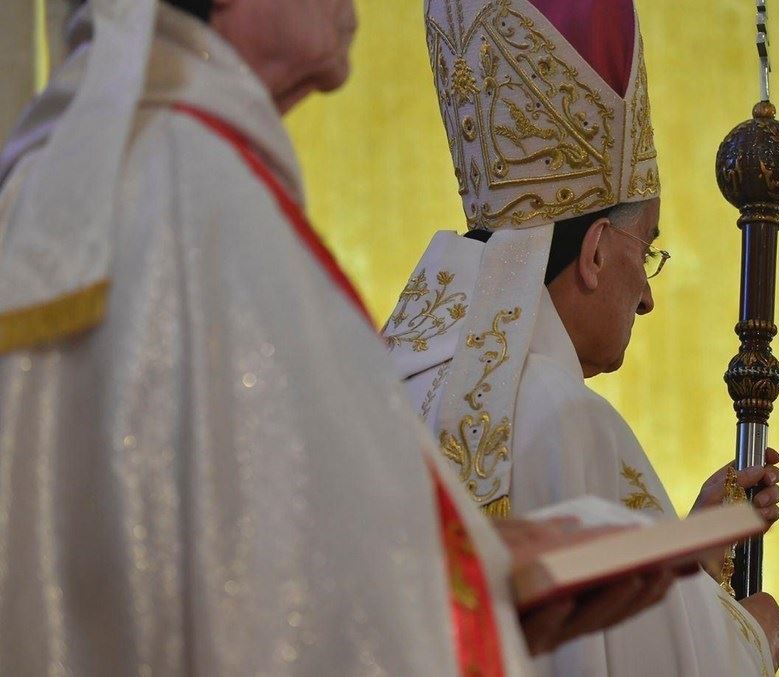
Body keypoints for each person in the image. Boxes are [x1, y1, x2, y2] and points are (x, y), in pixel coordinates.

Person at [0, 0, 676, 673]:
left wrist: (474, 575)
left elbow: (226, 554)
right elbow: (268, 615)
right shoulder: (189, 195)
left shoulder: (114, 168)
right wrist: (465, 603)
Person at [386, 0, 779, 673]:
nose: (648, 295)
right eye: (647, 249)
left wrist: (688, 551)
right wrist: (750, 640)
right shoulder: (566, 421)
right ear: (597, 251)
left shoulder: (392, 387)